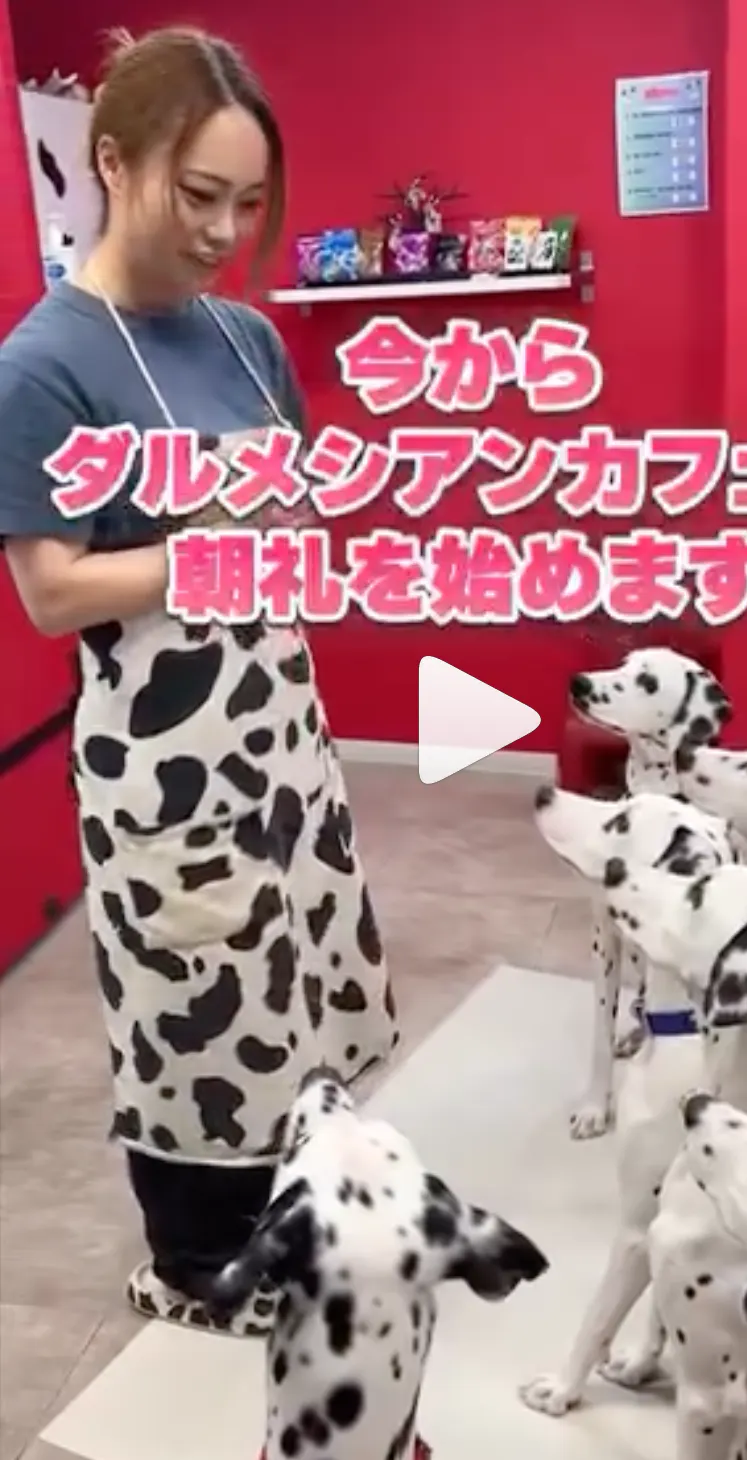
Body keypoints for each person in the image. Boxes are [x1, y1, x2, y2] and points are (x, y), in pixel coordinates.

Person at [0, 27, 399, 1339]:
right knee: (192, 1006)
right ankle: (192, 1265)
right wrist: (214, 544)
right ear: (113, 164)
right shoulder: (43, 366)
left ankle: (289, 1201)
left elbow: (298, 512)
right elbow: (54, 591)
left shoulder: (247, 338)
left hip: (276, 722)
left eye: (250, 201)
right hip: (162, 755)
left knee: (289, 976)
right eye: (198, 195)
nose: (226, 232)